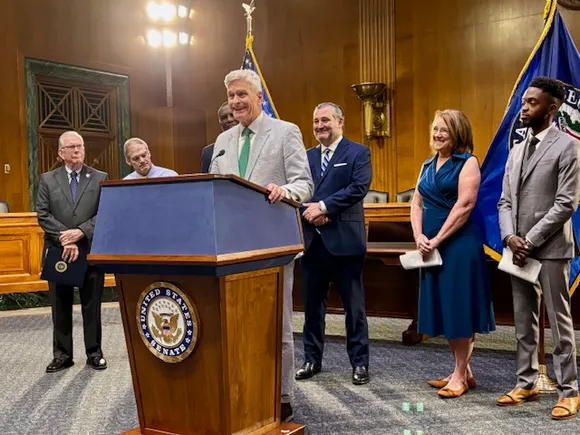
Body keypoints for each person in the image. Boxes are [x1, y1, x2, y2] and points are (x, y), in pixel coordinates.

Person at [210, 69, 314, 422]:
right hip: (229, 248)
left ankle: (281, 395)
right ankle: (243, 390)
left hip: (272, 246)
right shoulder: (223, 140)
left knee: (274, 325)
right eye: (231, 96)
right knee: (235, 324)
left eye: (242, 94)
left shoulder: (285, 132)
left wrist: (285, 191)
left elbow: (305, 183)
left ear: (259, 97)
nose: (236, 101)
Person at [497, 77, 580, 419]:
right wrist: (509, 238)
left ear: (552, 108)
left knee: (560, 323)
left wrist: (529, 240)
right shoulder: (517, 149)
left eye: (532, 103)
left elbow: (566, 203)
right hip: (517, 250)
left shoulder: (568, 145)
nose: (524, 107)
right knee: (523, 321)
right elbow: (504, 201)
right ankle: (526, 382)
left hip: (550, 248)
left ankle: (569, 391)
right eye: (524, 102)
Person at [410, 109, 495, 398]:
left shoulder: (468, 162)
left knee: (460, 307)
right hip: (431, 246)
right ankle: (463, 371)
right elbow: (416, 204)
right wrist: (419, 236)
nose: (437, 134)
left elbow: (465, 205)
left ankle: (459, 375)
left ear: (457, 133)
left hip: (459, 244)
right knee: (446, 306)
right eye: (435, 129)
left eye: (443, 130)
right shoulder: (427, 164)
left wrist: (437, 239)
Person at [296, 102, 372, 385]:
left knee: (354, 308)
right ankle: (311, 359)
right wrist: (309, 211)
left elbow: (358, 188)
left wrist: (324, 207)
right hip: (312, 243)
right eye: (316, 121)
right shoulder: (306, 157)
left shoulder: (358, 152)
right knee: (312, 308)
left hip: (345, 242)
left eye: (325, 120)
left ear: (340, 122)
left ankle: (360, 363)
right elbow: (297, 189)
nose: (320, 126)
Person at [36, 131, 109, 373]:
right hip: (59, 251)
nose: (77, 150)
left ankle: (94, 353)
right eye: (71, 147)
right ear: (61, 152)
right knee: (60, 305)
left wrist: (79, 232)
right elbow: (43, 214)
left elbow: (105, 212)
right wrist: (64, 238)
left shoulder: (100, 177)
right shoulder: (47, 179)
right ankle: (62, 355)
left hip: (90, 250)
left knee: (92, 305)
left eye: (80, 146)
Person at [201, 102, 238, 173]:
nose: (229, 120)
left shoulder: (249, 143)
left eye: (232, 115)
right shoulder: (209, 152)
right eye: (224, 117)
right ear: (220, 123)